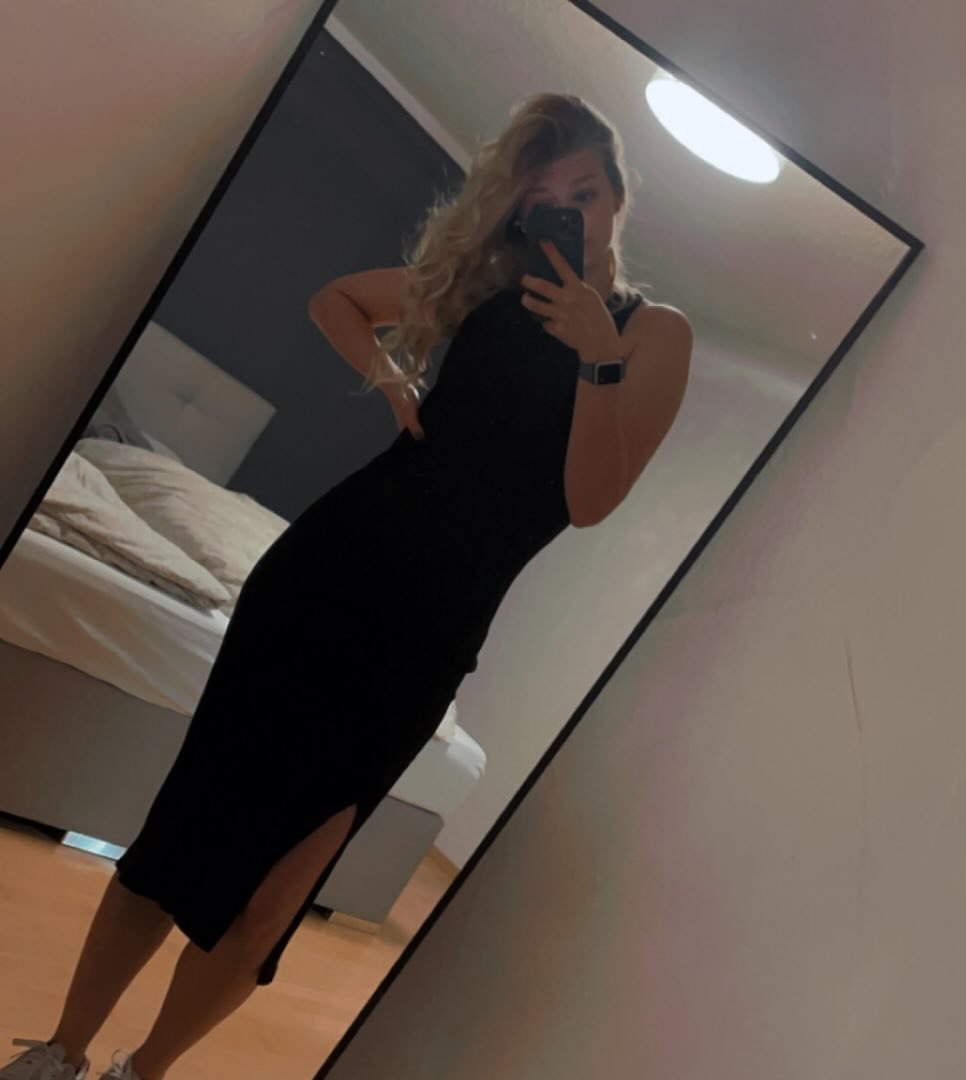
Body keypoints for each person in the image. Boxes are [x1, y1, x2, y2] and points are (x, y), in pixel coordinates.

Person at [3, 91, 692, 1080]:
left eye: (584, 193)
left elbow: (589, 501)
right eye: (543, 198)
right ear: (517, 210)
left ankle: (140, 1073)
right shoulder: (488, 284)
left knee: (275, 898)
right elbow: (338, 300)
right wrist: (397, 381)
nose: (567, 214)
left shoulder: (652, 335)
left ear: (617, 198)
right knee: (180, 832)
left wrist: (598, 358)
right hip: (323, 576)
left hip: (426, 639)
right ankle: (60, 1053)